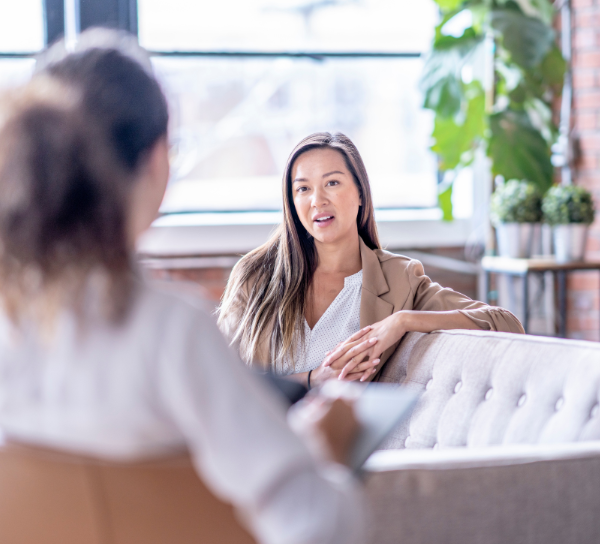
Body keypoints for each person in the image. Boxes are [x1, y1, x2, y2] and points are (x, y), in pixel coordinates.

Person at [0, 30, 369, 544]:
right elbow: (320, 532)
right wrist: (325, 451)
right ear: (156, 158)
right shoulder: (172, 329)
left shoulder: (4, 319)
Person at [218, 132, 523, 388]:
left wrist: (403, 320)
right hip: (262, 443)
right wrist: (313, 380)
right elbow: (217, 378)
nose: (317, 200)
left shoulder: (399, 279)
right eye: (303, 188)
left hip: (347, 450)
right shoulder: (255, 275)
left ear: (361, 193)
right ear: (292, 202)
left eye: (332, 183)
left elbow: (506, 323)